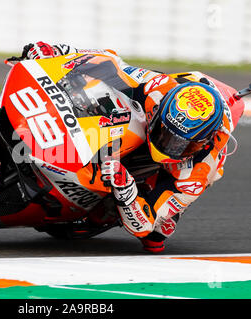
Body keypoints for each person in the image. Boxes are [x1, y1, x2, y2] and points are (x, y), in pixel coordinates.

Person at [23, 41, 233, 253]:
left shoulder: (200, 169)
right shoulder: (157, 88)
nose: (167, 144)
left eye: (180, 144)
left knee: (155, 237)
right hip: (179, 94)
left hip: (181, 170)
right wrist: (61, 52)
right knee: (98, 91)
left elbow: (143, 225)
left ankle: (165, 213)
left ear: (201, 143)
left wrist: (126, 191)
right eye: (164, 132)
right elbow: (111, 62)